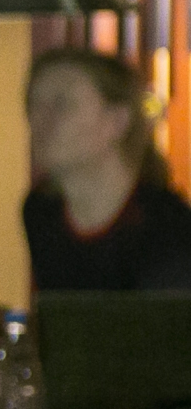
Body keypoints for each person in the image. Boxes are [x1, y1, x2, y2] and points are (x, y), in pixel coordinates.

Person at [22, 47, 191, 292]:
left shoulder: (166, 225)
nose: (41, 119)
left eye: (62, 104)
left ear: (118, 121)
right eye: (34, 103)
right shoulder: (41, 212)